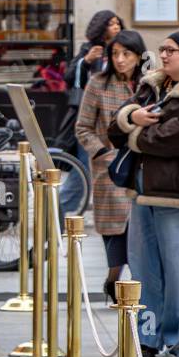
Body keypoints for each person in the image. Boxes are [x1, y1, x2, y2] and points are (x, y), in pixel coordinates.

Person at [107, 30, 179, 357]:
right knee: (143, 268)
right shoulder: (151, 85)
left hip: (177, 195)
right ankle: (146, 335)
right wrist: (131, 117)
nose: (163, 55)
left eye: (171, 50)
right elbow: (112, 128)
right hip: (141, 189)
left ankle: (177, 338)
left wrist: (136, 134)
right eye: (161, 49)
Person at [74, 29, 144, 300]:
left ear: (138, 55)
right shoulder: (97, 83)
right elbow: (83, 128)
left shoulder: (148, 84)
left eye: (126, 54)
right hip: (111, 169)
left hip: (141, 167)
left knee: (138, 228)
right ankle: (113, 280)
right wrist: (103, 152)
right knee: (115, 229)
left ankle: (135, 287)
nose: (120, 60)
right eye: (115, 54)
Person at [59, 11, 123, 212]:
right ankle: (58, 211)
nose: (116, 27)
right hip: (91, 119)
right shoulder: (90, 49)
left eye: (117, 23)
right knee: (84, 168)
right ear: (101, 27)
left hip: (115, 118)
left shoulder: (123, 50)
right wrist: (86, 60)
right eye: (111, 24)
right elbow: (70, 77)